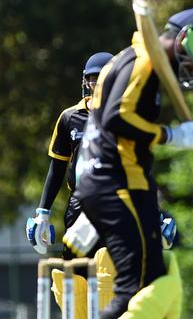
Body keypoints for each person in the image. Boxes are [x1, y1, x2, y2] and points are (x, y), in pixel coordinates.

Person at [65, 8, 193, 319]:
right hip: (117, 184)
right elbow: (115, 118)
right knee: (135, 291)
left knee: (153, 280)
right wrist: (174, 136)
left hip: (118, 184)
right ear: (186, 38)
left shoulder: (135, 59)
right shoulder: (142, 61)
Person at [25, 52, 117, 318]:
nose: (97, 84)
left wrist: (154, 213)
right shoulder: (70, 117)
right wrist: (42, 213)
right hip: (80, 207)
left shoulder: (125, 116)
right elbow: (57, 167)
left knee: (110, 271)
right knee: (74, 275)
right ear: (85, 82)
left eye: (103, 78)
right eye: (92, 78)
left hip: (115, 204)